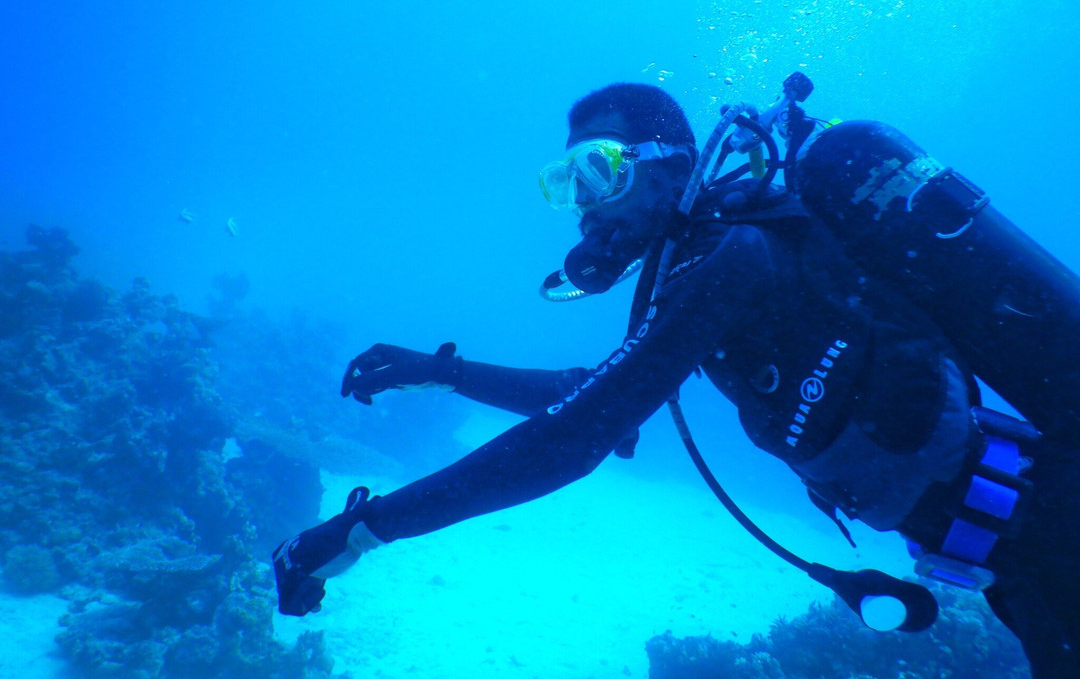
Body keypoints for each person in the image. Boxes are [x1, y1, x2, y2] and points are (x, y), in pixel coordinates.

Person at [272, 83, 1074, 677]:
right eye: (570, 183)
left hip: (1049, 527)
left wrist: (357, 532)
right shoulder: (697, 270)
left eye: (602, 170)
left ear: (672, 168)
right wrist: (442, 371)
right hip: (1014, 552)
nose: (587, 209)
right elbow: (604, 406)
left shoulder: (735, 256)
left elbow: (575, 439)